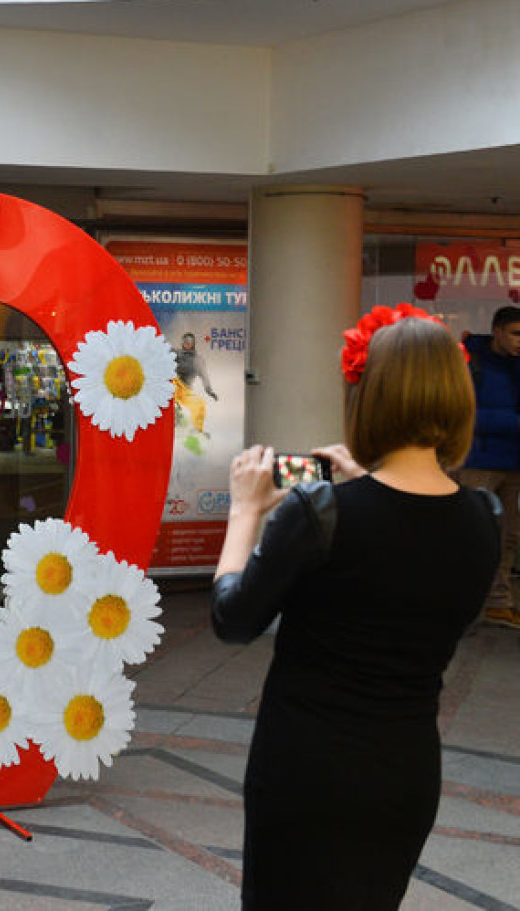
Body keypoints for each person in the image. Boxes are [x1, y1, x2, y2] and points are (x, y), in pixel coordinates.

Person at [210, 313, 500, 910]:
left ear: (367, 398)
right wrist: (366, 482)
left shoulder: (320, 512)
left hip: (305, 771)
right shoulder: (486, 517)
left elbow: (233, 619)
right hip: (406, 773)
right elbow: (417, 571)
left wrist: (245, 511)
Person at [457, 304, 520, 630]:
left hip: (512, 463)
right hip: (477, 462)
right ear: (497, 331)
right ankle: (462, 604)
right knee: (473, 535)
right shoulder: (471, 361)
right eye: (515, 333)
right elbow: (465, 412)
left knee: (508, 537)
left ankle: (499, 603)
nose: (519, 341)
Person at [173, 331, 217, 435]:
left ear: (193, 343)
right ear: (182, 342)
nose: (187, 344)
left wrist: (209, 390)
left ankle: (197, 431)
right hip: (173, 386)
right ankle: (176, 417)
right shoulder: (175, 354)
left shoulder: (198, 360)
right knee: (172, 401)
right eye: (185, 341)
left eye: (190, 342)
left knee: (199, 405)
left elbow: (204, 376)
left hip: (185, 390)